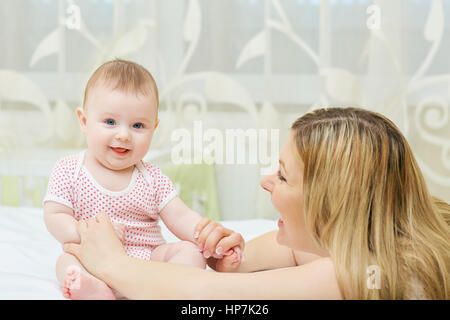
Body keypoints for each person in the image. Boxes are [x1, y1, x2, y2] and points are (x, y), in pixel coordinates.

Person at [64, 107, 450, 299]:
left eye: (282, 176)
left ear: (331, 204)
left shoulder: (356, 274)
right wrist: (224, 258)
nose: (266, 182)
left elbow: (212, 297)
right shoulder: (359, 236)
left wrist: (111, 263)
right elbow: (244, 268)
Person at [43, 59, 244, 300]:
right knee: (66, 261)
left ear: (153, 128)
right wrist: (84, 233)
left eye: (138, 125)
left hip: (149, 263)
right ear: (84, 121)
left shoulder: (152, 178)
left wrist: (212, 241)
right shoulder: (69, 170)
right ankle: (96, 291)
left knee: (190, 253)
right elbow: (55, 216)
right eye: (110, 122)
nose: (124, 134)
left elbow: (181, 217)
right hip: (94, 257)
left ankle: (161, 291)